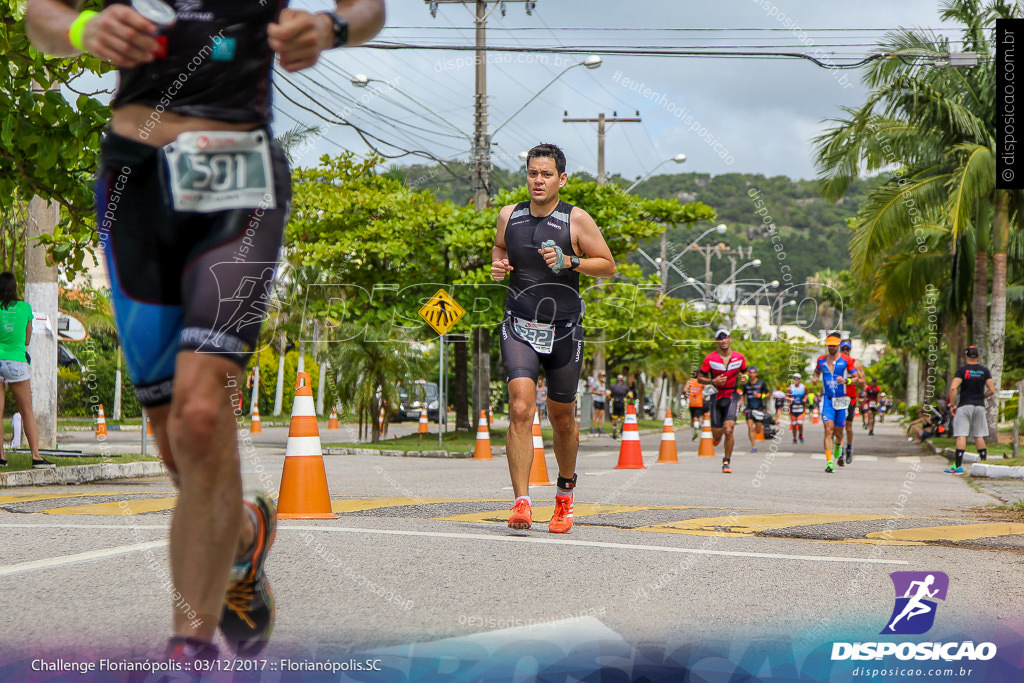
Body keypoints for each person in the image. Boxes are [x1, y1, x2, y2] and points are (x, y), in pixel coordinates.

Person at [26, 0, 386, 662]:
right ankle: (244, 533)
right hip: (132, 176)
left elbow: (368, 9)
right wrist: (81, 30)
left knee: (199, 414)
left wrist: (332, 28)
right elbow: (38, 17)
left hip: (237, 177)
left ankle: (188, 654)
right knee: (176, 443)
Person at [491, 142, 615, 532]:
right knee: (521, 408)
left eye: (546, 174)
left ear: (561, 178)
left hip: (564, 330)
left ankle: (564, 496)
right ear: (525, 175)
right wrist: (498, 264)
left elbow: (608, 265)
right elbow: (499, 249)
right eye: (532, 173)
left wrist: (570, 261)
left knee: (562, 418)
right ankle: (522, 503)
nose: (538, 180)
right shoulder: (508, 215)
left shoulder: (576, 220)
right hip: (519, 325)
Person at [0, 272, 50, 469]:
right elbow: (27, 340)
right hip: (17, 362)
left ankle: (1, 456)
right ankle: (36, 456)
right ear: (15, 287)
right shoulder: (25, 308)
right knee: (27, 411)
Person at [698, 327, 747, 474]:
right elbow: (699, 378)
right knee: (717, 433)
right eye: (720, 338)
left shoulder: (739, 357)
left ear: (730, 339)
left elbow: (745, 372)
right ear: (717, 341)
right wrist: (713, 381)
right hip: (716, 397)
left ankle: (726, 461)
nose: (723, 340)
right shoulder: (710, 359)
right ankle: (717, 438)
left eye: (725, 337)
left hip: (732, 395)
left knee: (729, 429)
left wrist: (745, 378)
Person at [946, 345, 997, 474]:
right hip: (979, 406)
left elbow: (953, 388)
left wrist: (952, 404)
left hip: (964, 406)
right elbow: (992, 390)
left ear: (966, 357)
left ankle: (958, 466)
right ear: (978, 357)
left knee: (961, 435)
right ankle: (984, 462)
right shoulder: (984, 371)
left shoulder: (962, 371)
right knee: (978, 435)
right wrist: (982, 396)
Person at [813, 333, 855, 473]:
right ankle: (829, 462)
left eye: (834, 345)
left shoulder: (846, 360)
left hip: (841, 400)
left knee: (839, 432)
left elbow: (856, 377)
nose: (831, 347)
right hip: (827, 399)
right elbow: (816, 372)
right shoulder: (821, 360)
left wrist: (846, 381)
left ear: (838, 346)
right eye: (829, 345)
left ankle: (838, 444)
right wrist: (815, 378)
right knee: (828, 428)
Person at [837, 339, 865, 466]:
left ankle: (848, 448)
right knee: (837, 426)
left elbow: (862, 382)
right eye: (843, 348)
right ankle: (840, 451)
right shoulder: (835, 362)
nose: (845, 351)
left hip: (851, 398)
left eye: (847, 349)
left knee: (848, 426)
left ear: (851, 349)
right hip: (837, 397)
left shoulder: (855, 363)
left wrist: (849, 379)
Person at [740, 366, 768, 453]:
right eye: (750, 373)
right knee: (750, 427)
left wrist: (760, 396)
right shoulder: (746, 385)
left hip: (759, 408)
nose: (751, 374)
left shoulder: (761, 383)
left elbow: (768, 394)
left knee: (758, 430)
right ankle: (753, 446)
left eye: (753, 372)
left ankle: (759, 427)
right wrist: (741, 401)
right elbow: (743, 395)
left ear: (756, 374)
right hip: (749, 408)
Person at [608, 374, 631, 439]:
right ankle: (616, 430)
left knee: (621, 418)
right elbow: (608, 393)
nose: (620, 381)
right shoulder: (614, 386)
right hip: (616, 403)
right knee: (616, 418)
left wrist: (609, 396)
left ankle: (619, 431)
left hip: (621, 403)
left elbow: (630, 394)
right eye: (619, 379)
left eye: (620, 379)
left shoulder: (624, 387)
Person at [685, 370, 706, 440]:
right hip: (699, 403)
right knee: (696, 418)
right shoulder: (701, 382)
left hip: (692, 403)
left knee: (692, 419)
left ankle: (693, 434)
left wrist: (687, 395)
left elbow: (685, 390)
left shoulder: (690, 382)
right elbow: (706, 388)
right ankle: (696, 430)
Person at [787, 373, 807, 444]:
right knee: (794, 424)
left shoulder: (803, 387)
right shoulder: (790, 388)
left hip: (801, 407)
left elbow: (806, 395)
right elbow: (787, 397)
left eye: (797, 378)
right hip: (793, 408)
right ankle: (794, 437)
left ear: (800, 379)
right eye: (794, 378)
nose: (796, 380)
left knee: (800, 423)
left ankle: (800, 435)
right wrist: (790, 399)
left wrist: (805, 399)